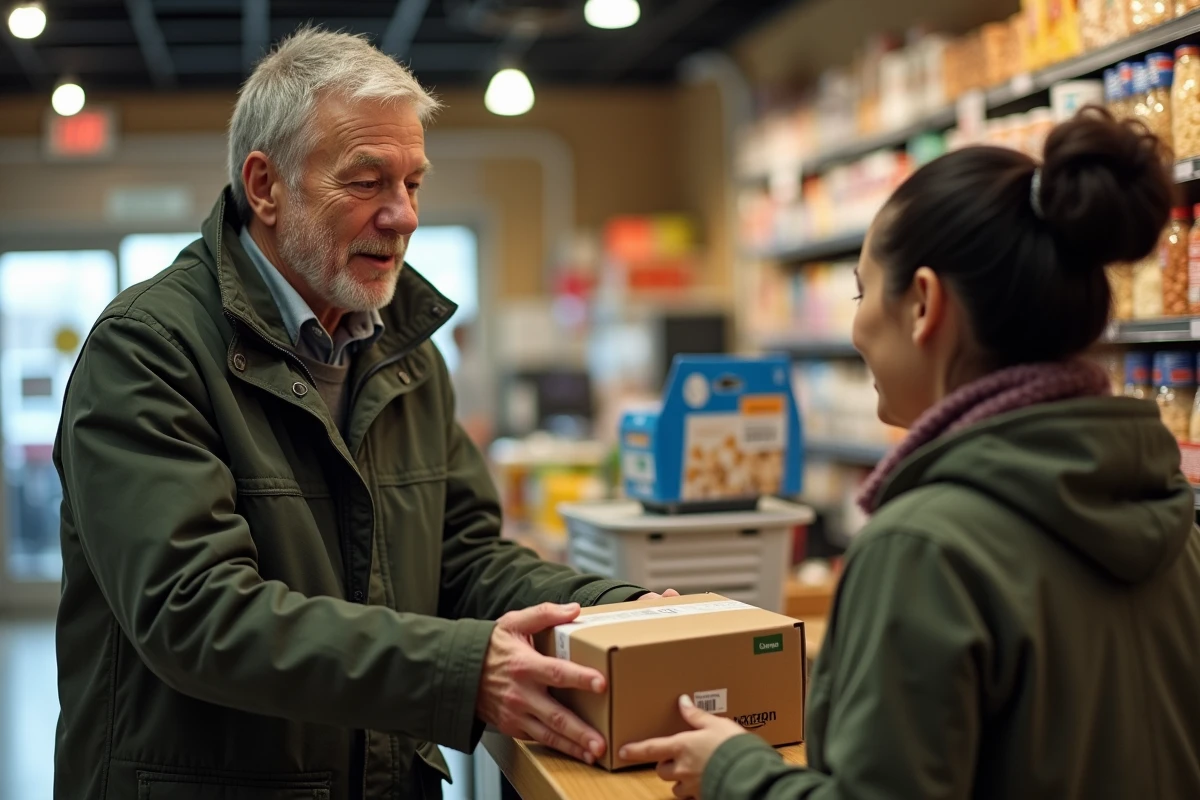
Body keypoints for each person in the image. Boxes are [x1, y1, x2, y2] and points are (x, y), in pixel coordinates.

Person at [53, 27, 675, 800]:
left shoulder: (404, 355)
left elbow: (463, 563)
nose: (403, 215)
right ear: (265, 186)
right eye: (368, 181)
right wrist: (462, 671)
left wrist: (617, 614)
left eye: (413, 183)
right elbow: (194, 613)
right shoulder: (149, 349)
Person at [622, 106, 1200, 798]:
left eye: (862, 291)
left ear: (924, 303)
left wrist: (733, 768)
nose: (856, 328)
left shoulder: (924, 548)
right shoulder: (1173, 523)